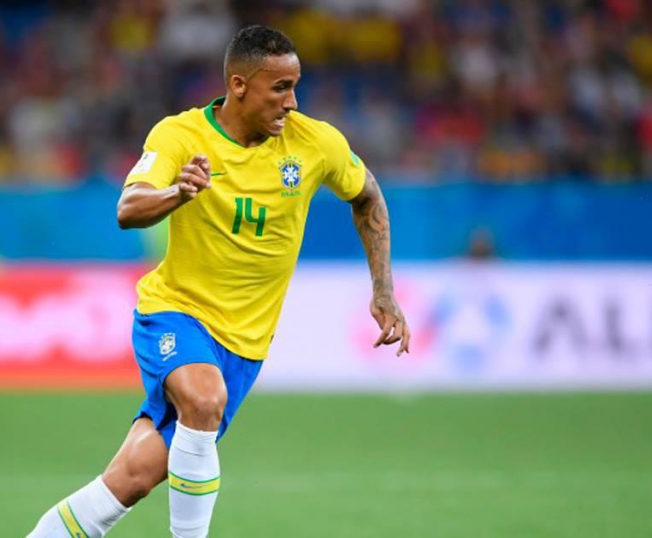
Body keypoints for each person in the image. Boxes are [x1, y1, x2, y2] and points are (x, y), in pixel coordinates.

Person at [28, 25, 410, 538]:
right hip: (175, 312)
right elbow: (128, 207)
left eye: (295, 87)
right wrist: (177, 193)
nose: (292, 102)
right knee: (205, 399)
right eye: (280, 88)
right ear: (239, 85)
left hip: (244, 346)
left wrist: (383, 289)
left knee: (129, 480)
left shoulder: (316, 144)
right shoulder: (180, 136)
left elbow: (367, 196)